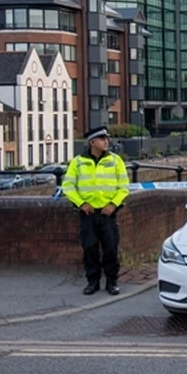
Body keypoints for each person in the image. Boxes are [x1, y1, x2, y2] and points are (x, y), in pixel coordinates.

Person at [62, 126, 130, 296]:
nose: (106, 141)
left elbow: (123, 187)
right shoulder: (78, 162)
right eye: (102, 139)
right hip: (88, 214)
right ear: (92, 142)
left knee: (111, 248)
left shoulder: (115, 161)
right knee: (90, 248)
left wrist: (113, 205)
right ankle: (93, 282)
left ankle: (112, 282)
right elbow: (68, 186)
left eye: (107, 138)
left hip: (108, 213)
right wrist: (81, 203)